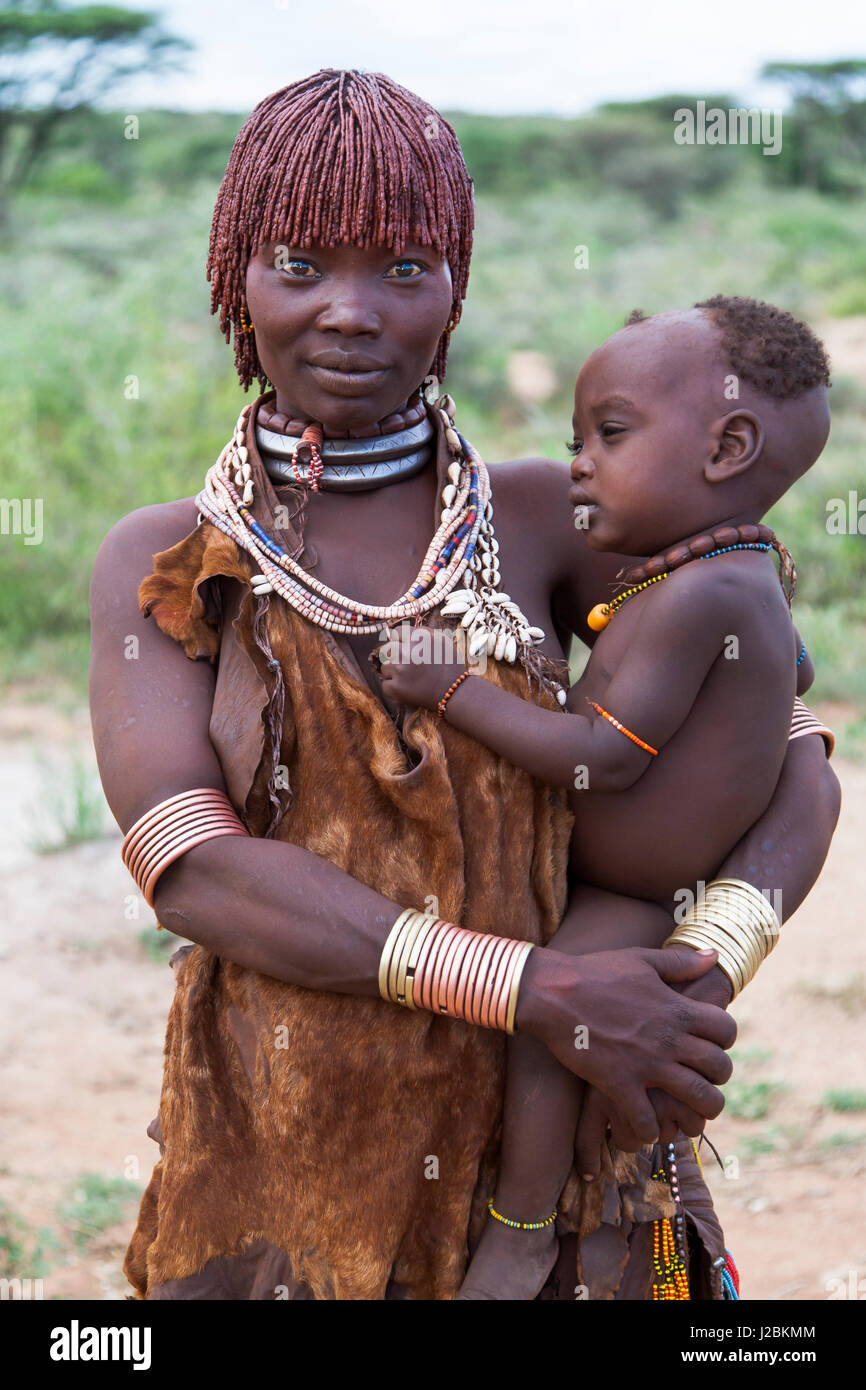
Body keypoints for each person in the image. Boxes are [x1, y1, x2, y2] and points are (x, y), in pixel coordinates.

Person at [88, 71, 841, 1300]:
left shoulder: (549, 516)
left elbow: (782, 742)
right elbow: (193, 866)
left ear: (454, 290)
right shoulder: (171, 559)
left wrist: (689, 971)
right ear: (235, 276)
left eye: (402, 267)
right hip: (295, 1143)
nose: (349, 311)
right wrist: (541, 987)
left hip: (564, 1137)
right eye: (298, 263)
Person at [379, 296, 838, 1298]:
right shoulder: (727, 568)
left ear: (725, 447)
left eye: (609, 433)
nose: (578, 460)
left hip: (636, 891)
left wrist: (449, 691)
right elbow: (791, 679)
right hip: (626, 875)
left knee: (561, 1030)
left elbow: (602, 756)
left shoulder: (704, 593)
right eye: (575, 436)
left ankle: (521, 1226)